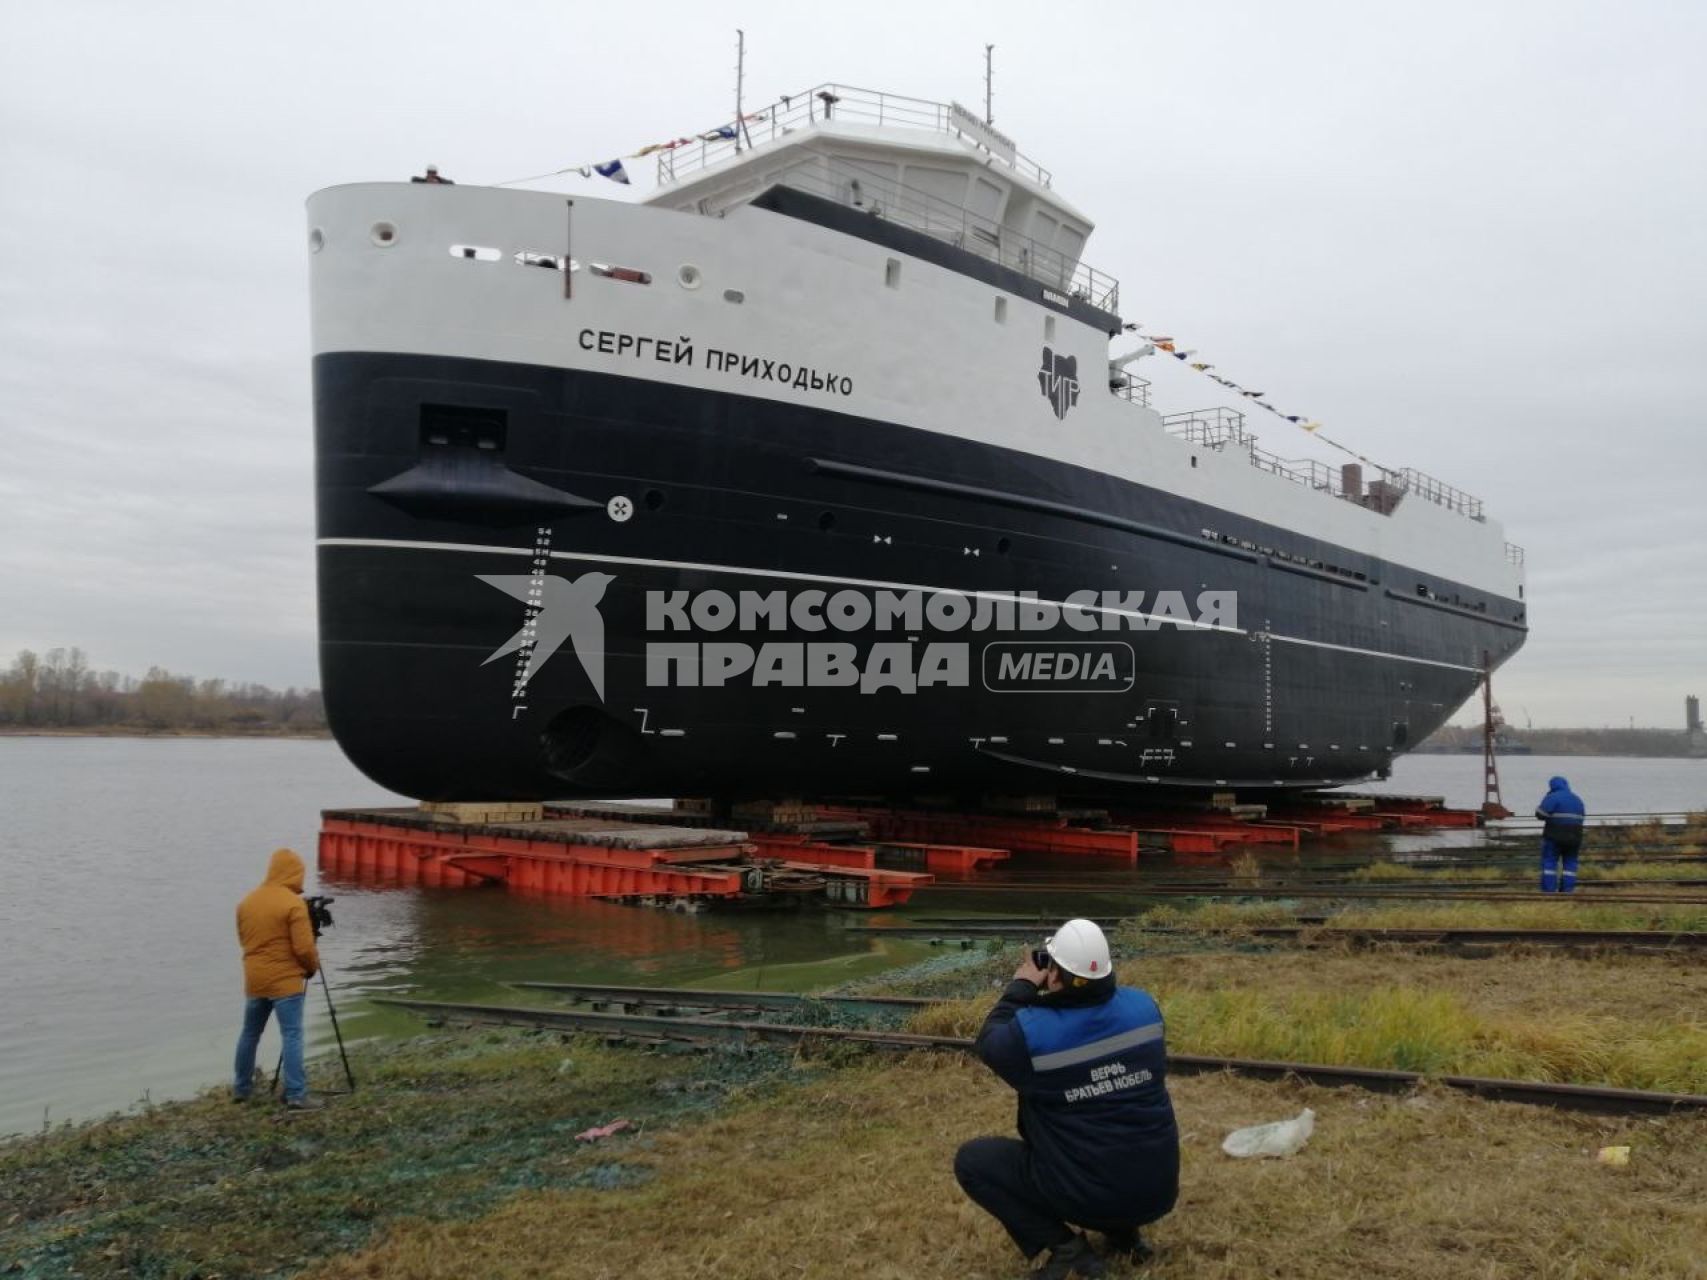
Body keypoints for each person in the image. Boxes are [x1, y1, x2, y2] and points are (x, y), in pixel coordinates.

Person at [955, 918, 1179, 1279]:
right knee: (1116, 1121)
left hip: (1087, 1196)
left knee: (974, 1162)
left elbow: (989, 1042)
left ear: (1055, 975)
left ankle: (1070, 1252)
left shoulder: (1034, 1034)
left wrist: (1023, 985)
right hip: (1157, 1191)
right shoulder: (1145, 1009)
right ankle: (1126, 1233)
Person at [233, 848, 322, 1108]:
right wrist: (311, 967)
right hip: (285, 983)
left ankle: (241, 1088)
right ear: (294, 874)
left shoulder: (246, 902)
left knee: (250, 1033)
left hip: (255, 980)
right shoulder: (293, 904)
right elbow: (304, 948)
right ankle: (296, 1094)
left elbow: (244, 941)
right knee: (292, 1034)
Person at [1536, 776, 1587, 893]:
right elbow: (1582, 817)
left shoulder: (1552, 797)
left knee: (1549, 863)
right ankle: (1567, 891)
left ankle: (1549, 891)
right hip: (1575, 836)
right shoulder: (1577, 799)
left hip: (1554, 835)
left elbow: (1540, 814)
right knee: (1570, 863)